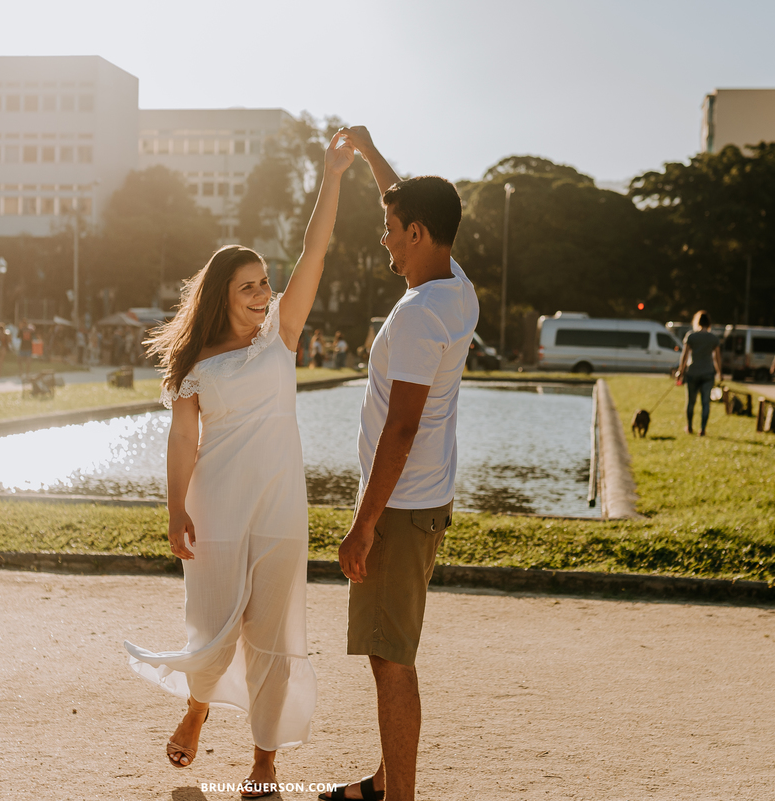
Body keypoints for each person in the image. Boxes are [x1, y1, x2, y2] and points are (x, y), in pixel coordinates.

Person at [125, 132, 354, 798]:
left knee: (272, 635)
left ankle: (264, 760)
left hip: (280, 507)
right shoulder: (196, 367)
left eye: (265, 283)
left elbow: (316, 249)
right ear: (224, 293)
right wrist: (174, 510)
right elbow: (182, 443)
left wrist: (332, 175)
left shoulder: (281, 336)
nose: (263, 293)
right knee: (214, 629)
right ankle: (197, 706)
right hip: (215, 509)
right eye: (250, 286)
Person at [323, 126, 479, 801]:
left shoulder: (418, 314)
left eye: (390, 229)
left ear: (416, 233)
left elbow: (402, 427)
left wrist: (364, 523)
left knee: (390, 659)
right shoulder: (456, 283)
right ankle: (383, 782)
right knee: (393, 649)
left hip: (402, 506)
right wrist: (371, 154)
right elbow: (416, 203)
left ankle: (399, 797)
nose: (382, 238)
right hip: (426, 499)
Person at [676, 310, 722, 436]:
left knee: (691, 402)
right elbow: (717, 358)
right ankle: (702, 429)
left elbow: (684, 356)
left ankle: (689, 427)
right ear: (709, 323)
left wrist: (680, 371)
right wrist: (720, 373)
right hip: (708, 373)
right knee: (705, 403)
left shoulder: (691, 336)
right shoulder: (713, 338)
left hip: (693, 372)